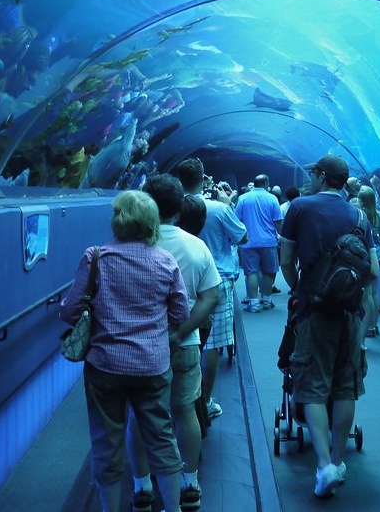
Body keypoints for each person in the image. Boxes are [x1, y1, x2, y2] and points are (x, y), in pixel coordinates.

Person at [58, 191, 189, 512]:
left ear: (117, 220)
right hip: (152, 366)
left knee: (106, 442)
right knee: (161, 438)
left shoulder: (96, 258)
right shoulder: (165, 260)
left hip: (105, 366)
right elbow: (181, 315)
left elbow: (70, 311)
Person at [280, 154, 380, 498]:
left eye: (313, 173)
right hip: (350, 312)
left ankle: (322, 466)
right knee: (345, 386)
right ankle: (338, 460)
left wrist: (300, 289)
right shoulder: (359, 215)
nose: (310, 178)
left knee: (312, 384)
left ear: (322, 176)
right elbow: (374, 270)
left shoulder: (300, 208)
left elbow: (286, 260)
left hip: (314, 310)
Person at [125, 175, 221, 512]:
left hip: (138, 347)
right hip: (184, 344)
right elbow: (212, 296)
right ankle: (190, 483)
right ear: (180, 208)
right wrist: (182, 331)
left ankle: (141, 486)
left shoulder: (128, 245)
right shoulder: (196, 246)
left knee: (139, 414)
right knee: (184, 411)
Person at [174, 158, 248, 420]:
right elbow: (243, 237)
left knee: (177, 336)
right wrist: (228, 206)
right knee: (212, 344)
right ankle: (204, 402)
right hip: (217, 279)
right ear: (203, 177)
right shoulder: (218, 208)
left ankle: (174, 396)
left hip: (176, 278)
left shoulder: (171, 207)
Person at [234, 174, 283, 312]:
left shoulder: (243, 198)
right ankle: (267, 301)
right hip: (269, 242)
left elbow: (237, 220)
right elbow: (278, 222)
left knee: (251, 273)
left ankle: (254, 304)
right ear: (266, 183)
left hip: (248, 242)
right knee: (268, 272)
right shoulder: (272, 198)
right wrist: (280, 236)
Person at [356, 185, 380, 339]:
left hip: (363, 255)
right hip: (378, 256)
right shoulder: (378, 215)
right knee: (374, 292)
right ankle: (375, 325)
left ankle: (367, 326)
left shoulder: (359, 214)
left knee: (365, 294)